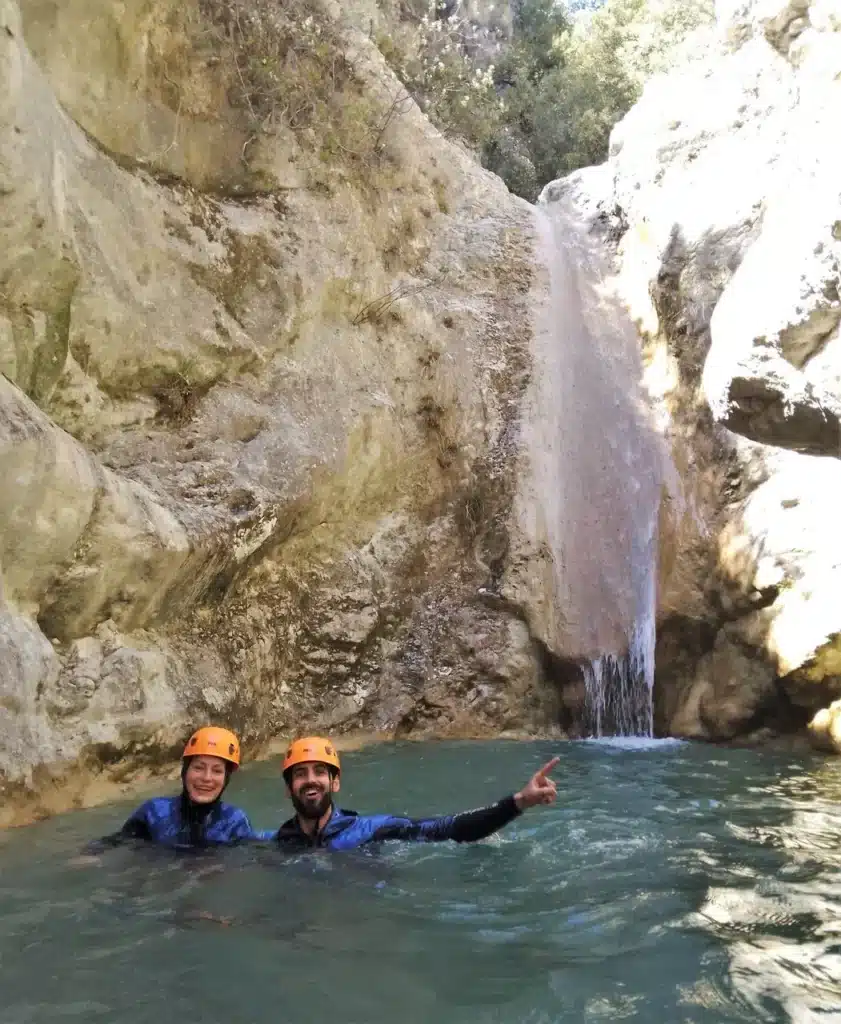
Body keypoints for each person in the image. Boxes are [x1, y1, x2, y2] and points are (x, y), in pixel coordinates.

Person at [265, 736, 560, 851]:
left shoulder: (371, 831)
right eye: (300, 774)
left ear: (335, 783)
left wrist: (518, 802)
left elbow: (445, 828)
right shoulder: (279, 841)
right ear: (288, 788)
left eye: (319, 771)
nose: (310, 780)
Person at [86, 726, 256, 852]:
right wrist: (90, 853)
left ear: (226, 779)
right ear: (184, 771)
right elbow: (117, 841)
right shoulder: (154, 813)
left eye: (217, 771)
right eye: (198, 768)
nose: (206, 778)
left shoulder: (234, 822)